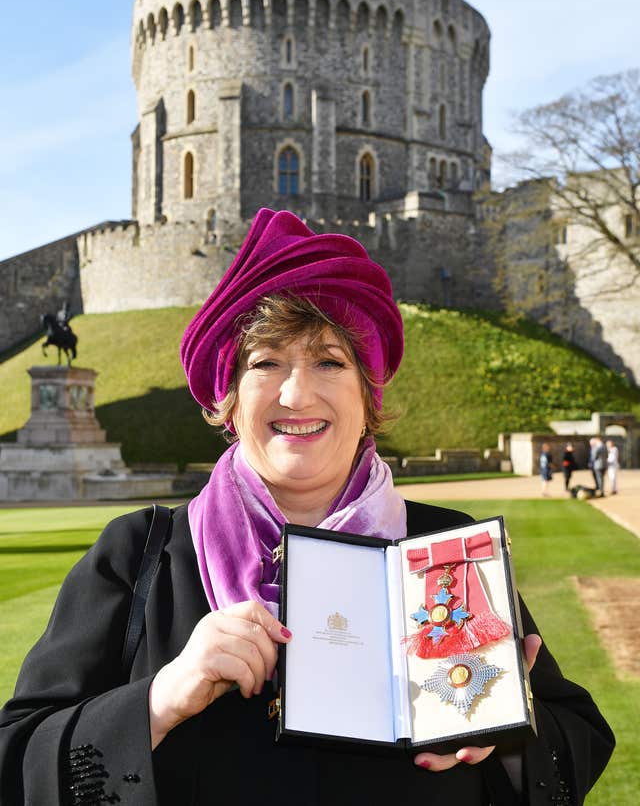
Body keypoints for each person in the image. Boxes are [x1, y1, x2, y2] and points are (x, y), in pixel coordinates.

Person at [0, 209, 614, 805]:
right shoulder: (141, 555)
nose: (298, 393)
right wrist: (159, 702)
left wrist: (507, 725)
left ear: (367, 394)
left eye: (329, 361)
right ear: (229, 397)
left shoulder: (447, 555)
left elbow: (577, 739)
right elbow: (16, 762)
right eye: (266, 362)